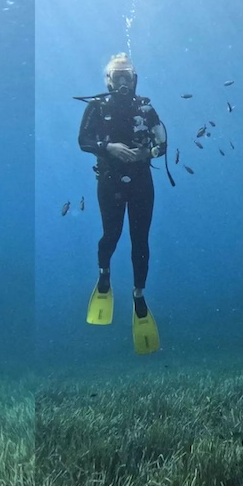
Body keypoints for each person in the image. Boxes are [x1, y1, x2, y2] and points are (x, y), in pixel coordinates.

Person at [78, 53, 167, 355]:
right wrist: (110, 148)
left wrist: (146, 154)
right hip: (110, 180)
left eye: (127, 76)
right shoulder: (97, 106)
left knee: (140, 240)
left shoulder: (145, 107)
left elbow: (162, 143)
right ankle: (104, 275)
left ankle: (138, 293)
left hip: (142, 181)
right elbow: (83, 141)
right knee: (111, 235)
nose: (123, 82)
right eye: (118, 77)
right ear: (109, 80)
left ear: (135, 79)